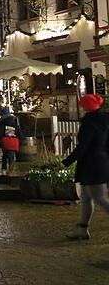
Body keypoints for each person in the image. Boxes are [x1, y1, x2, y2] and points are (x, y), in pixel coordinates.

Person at [62, 94, 109, 240]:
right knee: (87, 197)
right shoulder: (104, 121)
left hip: (92, 165)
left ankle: (82, 229)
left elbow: (83, 147)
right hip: (99, 162)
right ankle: (82, 229)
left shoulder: (89, 123)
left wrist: (66, 162)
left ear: (86, 107)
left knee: (99, 198)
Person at [0, 107, 22, 175]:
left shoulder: (1, 123)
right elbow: (19, 133)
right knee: (11, 157)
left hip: (5, 142)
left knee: (4, 155)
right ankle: (11, 170)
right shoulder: (15, 122)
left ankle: (4, 170)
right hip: (14, 142)